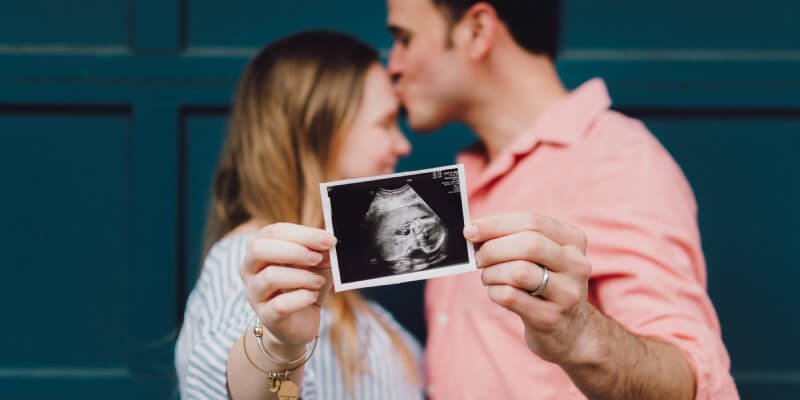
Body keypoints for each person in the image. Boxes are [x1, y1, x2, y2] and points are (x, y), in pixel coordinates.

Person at [385, 0, 739, 399]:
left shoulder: (616, 161)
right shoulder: (463, 179)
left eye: (404, 38)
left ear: (478, 30)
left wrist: (577, 333)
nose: (392, 65)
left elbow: (692, 380)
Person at [175, 30, 423, 400]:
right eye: (385, 123)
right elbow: (240, 389)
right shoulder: (253, 266)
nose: (403, 144)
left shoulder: (336, 283)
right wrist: (279, 346)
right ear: (316, 131)